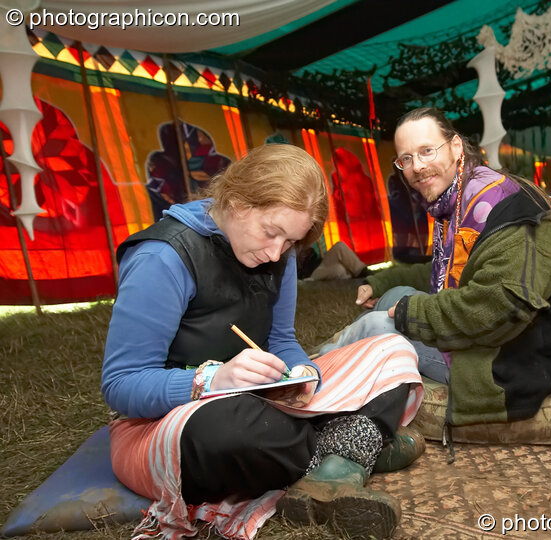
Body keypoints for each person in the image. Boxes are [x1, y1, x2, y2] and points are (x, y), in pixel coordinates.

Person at [102, 144, 424, 540]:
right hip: (170, 423)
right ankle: (358, 442)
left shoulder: (280, 254)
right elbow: (121, 385)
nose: (276, 252)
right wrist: (211, 382)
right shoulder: (162, 258)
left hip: (261, 402)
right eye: (271, 232)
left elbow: (282, 340)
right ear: (236, 201)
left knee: (391, 349)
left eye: (289, 242)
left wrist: (303, 375)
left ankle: (337, 451)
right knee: (228, 436)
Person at [320, 108, 551, 435]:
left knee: (381, 324)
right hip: (495, 333)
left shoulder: (506, 208)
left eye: (426, 151)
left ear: (457, 147)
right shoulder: (457, 199)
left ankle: (313, 379)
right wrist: (382, 281)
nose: (416, 167)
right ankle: (346, 368)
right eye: (406, 159)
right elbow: (446, 269)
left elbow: (497, 310)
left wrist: (410, 315)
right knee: (394, 296)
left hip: (518, 355)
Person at [298, 240, 370, 280]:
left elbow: (314, 257)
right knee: (339, 269)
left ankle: (361, 270)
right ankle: (351, 274)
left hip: (320, 264)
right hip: (311, 274)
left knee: (339, 245)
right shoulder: (290, 250)